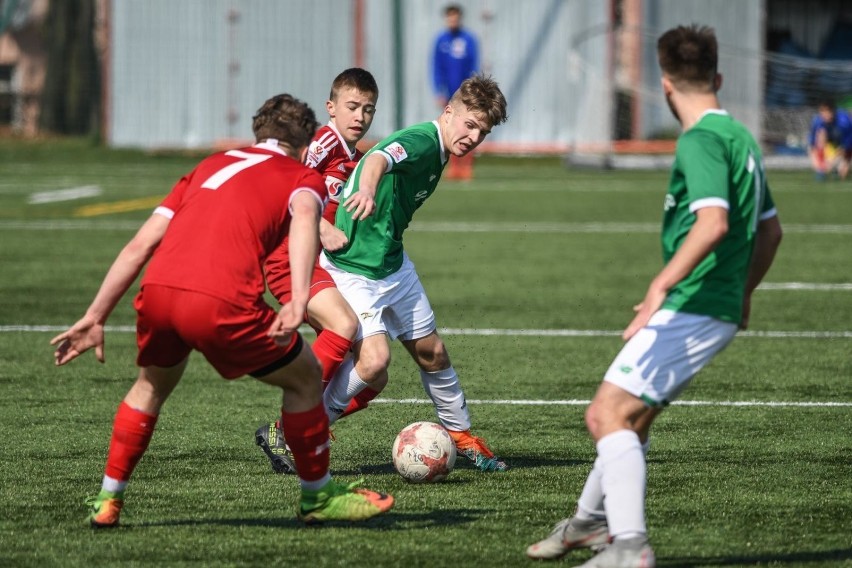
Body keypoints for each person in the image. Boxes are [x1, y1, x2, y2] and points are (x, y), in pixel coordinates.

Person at [50, 93, 394, 527]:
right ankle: (317, 497)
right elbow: (306, 221)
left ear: (258, 133)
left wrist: (95, 316)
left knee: (149, 388)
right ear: (306, 145)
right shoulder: (300, 175)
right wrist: (299, 297)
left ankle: (107, 500)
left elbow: (141, 244)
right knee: (306, 377)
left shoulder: (208, 165)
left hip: (158, 292)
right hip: (219, 300)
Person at [526, 25, 783, 567]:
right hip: (712, 304)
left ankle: (630, 548)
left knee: (605, 416)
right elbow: (770, 232)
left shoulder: (701, 141)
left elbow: (712, 223)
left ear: (665, 84)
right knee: (631, 418)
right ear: (717, 77)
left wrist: (659, 286)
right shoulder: (741, 139)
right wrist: (744, 293)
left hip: (692, 302)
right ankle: (589, 524)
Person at [319, 73, 510, 472]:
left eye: (482, 132)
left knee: (432, 352)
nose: (473, 137)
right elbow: (378, 158)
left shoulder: (441, 150)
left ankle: (460, 435)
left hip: (392, 264)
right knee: (374, 364)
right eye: (469, 124)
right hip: (355, 269)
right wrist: (367, 188)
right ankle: (305, 428)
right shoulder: (424, 140)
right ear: (448, 112)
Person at [255, 68, 387, 474]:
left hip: (321, 262)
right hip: (289, 255)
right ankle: (294, 429)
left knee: (374, 369)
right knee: (343, 325)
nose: (360, 116)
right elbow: (290, 175)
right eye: (351, 106)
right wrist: (321, 225)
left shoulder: (356, 157)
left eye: (368, 109)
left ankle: (295, 428)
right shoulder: (325, 140)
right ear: (331, 108)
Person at [431, 4, 480, 180]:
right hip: (449, 94)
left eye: (456, 17)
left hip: (466, 93)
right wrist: (439, 90)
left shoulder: (468, 40)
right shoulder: (441, 40)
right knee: (450, 129)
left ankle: (466, 167)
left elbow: (474, 66)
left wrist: (472, 90)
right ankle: (453, 168)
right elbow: (436, 67)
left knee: (469, 127)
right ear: (447, 18)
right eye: (450, 17)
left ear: (460, 18)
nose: (453, 20)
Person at [807, 99, 852, 181]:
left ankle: (838, 169)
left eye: (828, 111)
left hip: (847, 145)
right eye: (822, 112)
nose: (825, 114)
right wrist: (818, 164)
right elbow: (812, 145)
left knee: (843, 174)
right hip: (832, 142)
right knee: (821, 134)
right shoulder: (818, 121)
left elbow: (846, 147)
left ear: (833, 111)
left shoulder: (844, 122)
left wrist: (831, 162)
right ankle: (825, 169)